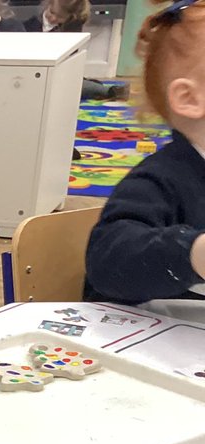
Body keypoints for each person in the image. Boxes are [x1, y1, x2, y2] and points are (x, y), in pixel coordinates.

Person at [85, 0, 205, 304]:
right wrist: (192, 253)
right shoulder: (159, 180)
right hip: (151, 328)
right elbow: (107, 260)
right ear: (189, 98)